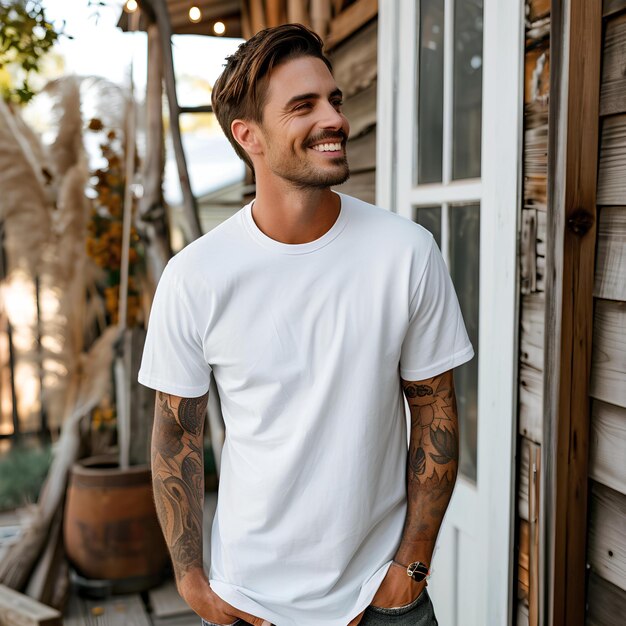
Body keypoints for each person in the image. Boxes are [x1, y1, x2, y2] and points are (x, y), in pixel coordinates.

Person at [138, 24, 474, 626]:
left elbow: (435, 410)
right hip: (249, 603)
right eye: (303, 106)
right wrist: (191, 582)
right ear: (249, 137)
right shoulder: (195, 277)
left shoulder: (407, 253)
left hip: (383, 598)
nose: (334, 120)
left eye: (335, 100)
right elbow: (176, 435)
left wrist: (411, 568)